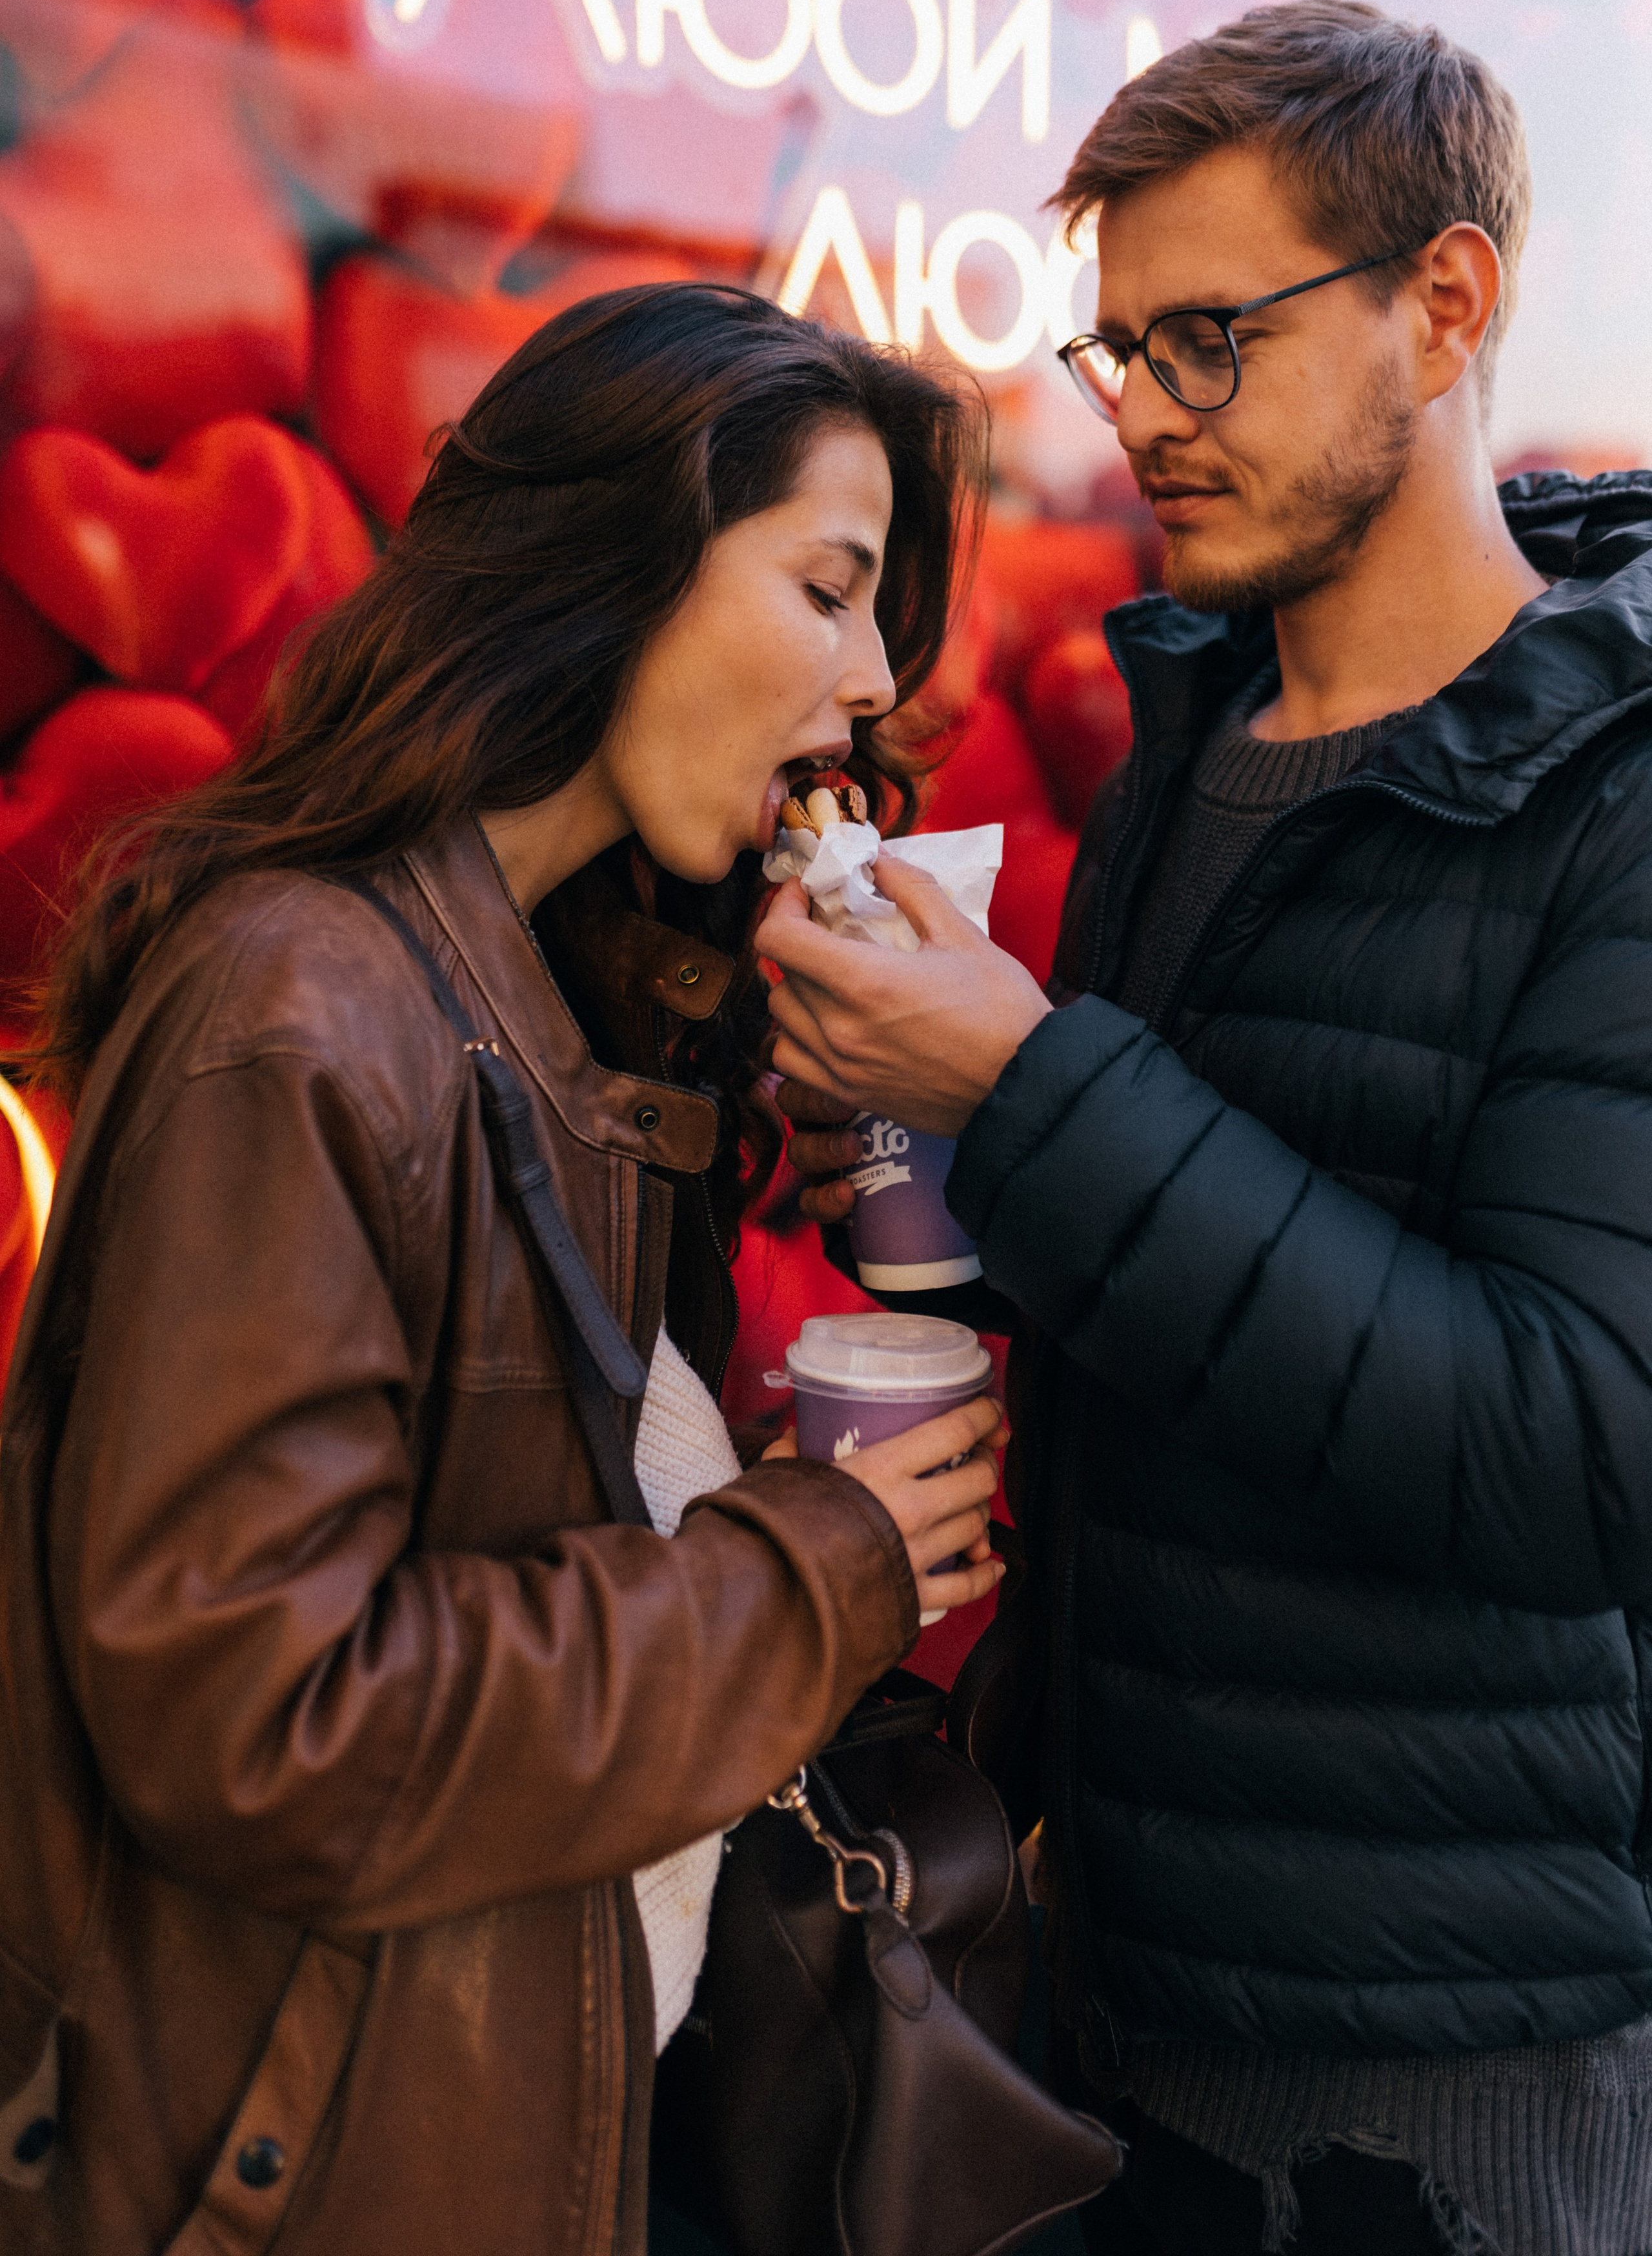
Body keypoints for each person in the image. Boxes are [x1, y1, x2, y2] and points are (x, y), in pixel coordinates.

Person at [763, 1, 1652, 2253]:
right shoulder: (1193, 723)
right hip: (1117, 1966)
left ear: (1442, 306)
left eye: (1210, 342)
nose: (1145, 414)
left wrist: (1027, 1084)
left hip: (1446, 2064)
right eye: (1117, 352)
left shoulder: (1621, 803)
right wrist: (905, 1127)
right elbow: (1186, 1268)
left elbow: (1569, 1446)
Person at [0, 282, 1009, 2256]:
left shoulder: (535, 1015)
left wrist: (729, 1117)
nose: (876, 682)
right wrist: (812, 1567)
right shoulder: (306, 1008)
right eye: (828, 588)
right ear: (613, 565)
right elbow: (263, 1728)